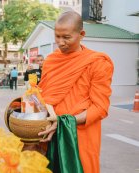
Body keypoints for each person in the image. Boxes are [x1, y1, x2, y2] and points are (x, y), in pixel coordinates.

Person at [38, 11, 114, 173]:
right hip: (48, 133)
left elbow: (100, 108)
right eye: (57, 36)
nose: (61, 42)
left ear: (81, 34)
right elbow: (44, 96)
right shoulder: (51, 61)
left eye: (66, 37)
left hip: (79, 135)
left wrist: (64, 122)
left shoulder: (97, 63)